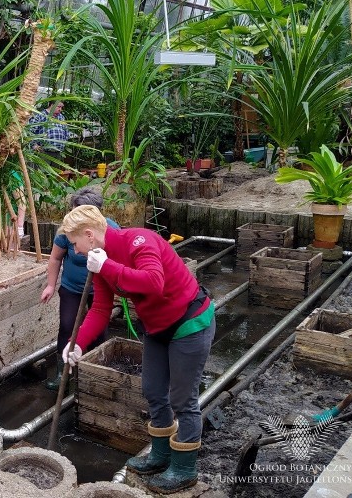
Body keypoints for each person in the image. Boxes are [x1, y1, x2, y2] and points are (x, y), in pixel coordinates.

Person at [58, 205, 215, 494]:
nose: (75, 251)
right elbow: (101, 308)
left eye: (74, 243)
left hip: (190, 322)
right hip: (157, 327)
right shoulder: (99, 262)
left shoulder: (138, 241)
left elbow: (154, 282)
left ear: (89, 235)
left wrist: (106, 266)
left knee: (182, 398)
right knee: (153, 390)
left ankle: (183, 470)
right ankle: (159, 456)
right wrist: (76, 342)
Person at [39, 188, 119, 390]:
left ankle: (95, 372)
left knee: (99, 330)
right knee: (67, 326)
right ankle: (62, 373)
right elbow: (56, 258)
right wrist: (50, 285)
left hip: (99, 290)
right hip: (71, 287)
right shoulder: (68, 230)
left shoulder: (109, 229)